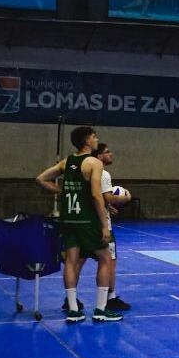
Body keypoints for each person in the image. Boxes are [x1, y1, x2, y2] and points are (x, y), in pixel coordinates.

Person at [36, 126, 123, 322]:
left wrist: (62, 192)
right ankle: (101, 309)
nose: (96, 139)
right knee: (105, 258)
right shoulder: (94, 163)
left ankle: (74, 310)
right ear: (87, 141)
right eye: (94, 137)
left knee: (71, 260)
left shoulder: (67, 162)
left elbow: (40, 179)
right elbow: (96, 195)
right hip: (87, 219)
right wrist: (104, 224)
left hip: (68, 218)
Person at [92, 143, 133, 310]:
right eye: (107, 152)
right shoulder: (103, 173)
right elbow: (108, 197)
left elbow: (94, 197)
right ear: (99, 156)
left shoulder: (86, 173)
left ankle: (70, 300)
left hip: (86, 222)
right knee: (109, 262)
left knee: (77, 261)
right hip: (102, 224)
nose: (111, 154)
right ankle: (109, 299)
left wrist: (106, 205)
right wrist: (126, 198)